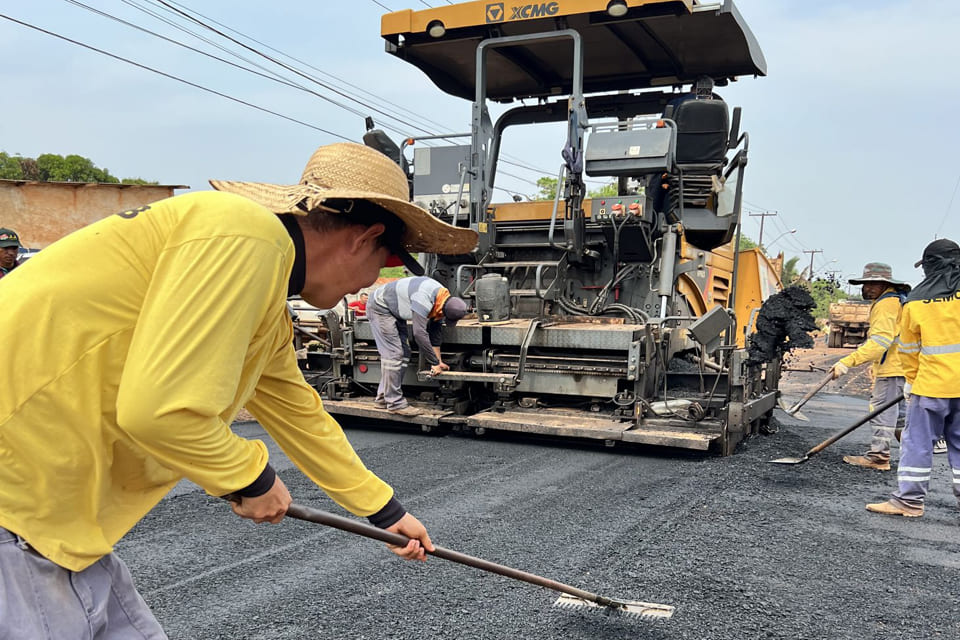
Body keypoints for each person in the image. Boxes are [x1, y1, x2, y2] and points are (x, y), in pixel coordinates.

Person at [0, 141, 478, 637]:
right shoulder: (245, 236)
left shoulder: (259, 280)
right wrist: (249, 479)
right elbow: (161, 411)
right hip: (18, 503)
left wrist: (384, 511)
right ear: (364, 237)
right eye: (389, 259)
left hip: (52, 518)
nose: (372, 282)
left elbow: (298, 411)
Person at [867, 239, 960, 517]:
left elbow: (908, 349)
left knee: (918, 442)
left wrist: (910, 381)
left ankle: (909, 501)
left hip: (931, 386)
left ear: (930, 265)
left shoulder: (917, 300)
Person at [831, 263, 910, 471]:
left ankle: (879, 457)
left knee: (882, 412)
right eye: (866, 284)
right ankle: (914, 456)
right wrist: (875, 363)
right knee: (901, 417)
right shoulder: (896, 300)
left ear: (885, 285)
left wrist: (847, 362)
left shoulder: (886, 304)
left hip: (893, 369)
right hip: (903, 366)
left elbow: (880, 342)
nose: (868, 288)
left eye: (874, 284)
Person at [368, 276, 468, 416]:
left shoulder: (442, 299)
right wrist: (434, 362)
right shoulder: (424, 298)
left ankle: (383, 398)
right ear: (444, 310)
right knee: (394, 354)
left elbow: (435, 333)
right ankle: (395, 403)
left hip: (393, 310)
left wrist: (438, 362)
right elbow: (419, 334)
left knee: (405, 352)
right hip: (380, 307)